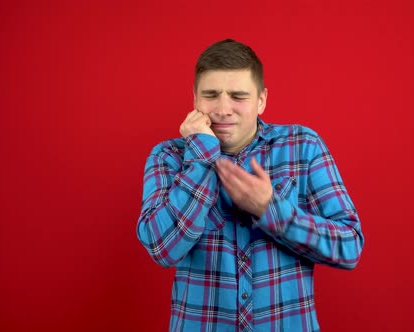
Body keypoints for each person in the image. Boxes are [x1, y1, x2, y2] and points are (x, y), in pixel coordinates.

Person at [136, 38, 364, 332]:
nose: (223, 108)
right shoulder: (167, 156)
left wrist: (271, 210)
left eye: (238, 96)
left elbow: (349, 246)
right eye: (211, 94)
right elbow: (163, 249)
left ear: (261, 100)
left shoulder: (303, 147)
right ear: (195, 99)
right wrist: (202, 158)